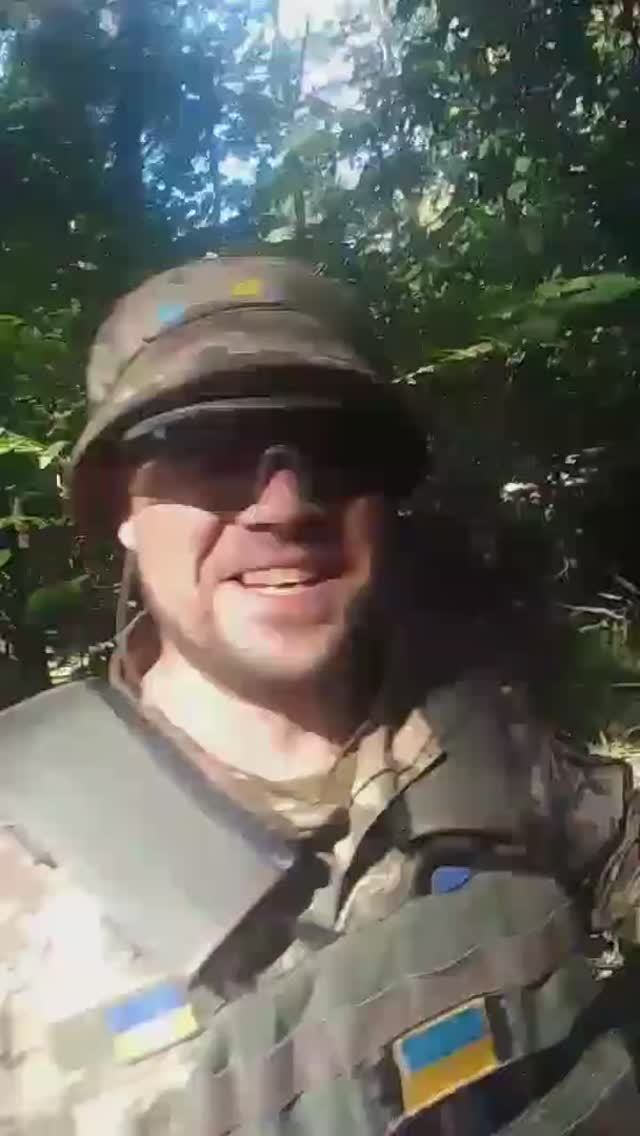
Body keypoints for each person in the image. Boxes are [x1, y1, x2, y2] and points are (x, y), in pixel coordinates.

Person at [2, 256, 640, 1136]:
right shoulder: (20, 850)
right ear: (121, 507)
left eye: (335, 452)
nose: (286, 504)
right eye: (210, 450)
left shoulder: (483, 736)